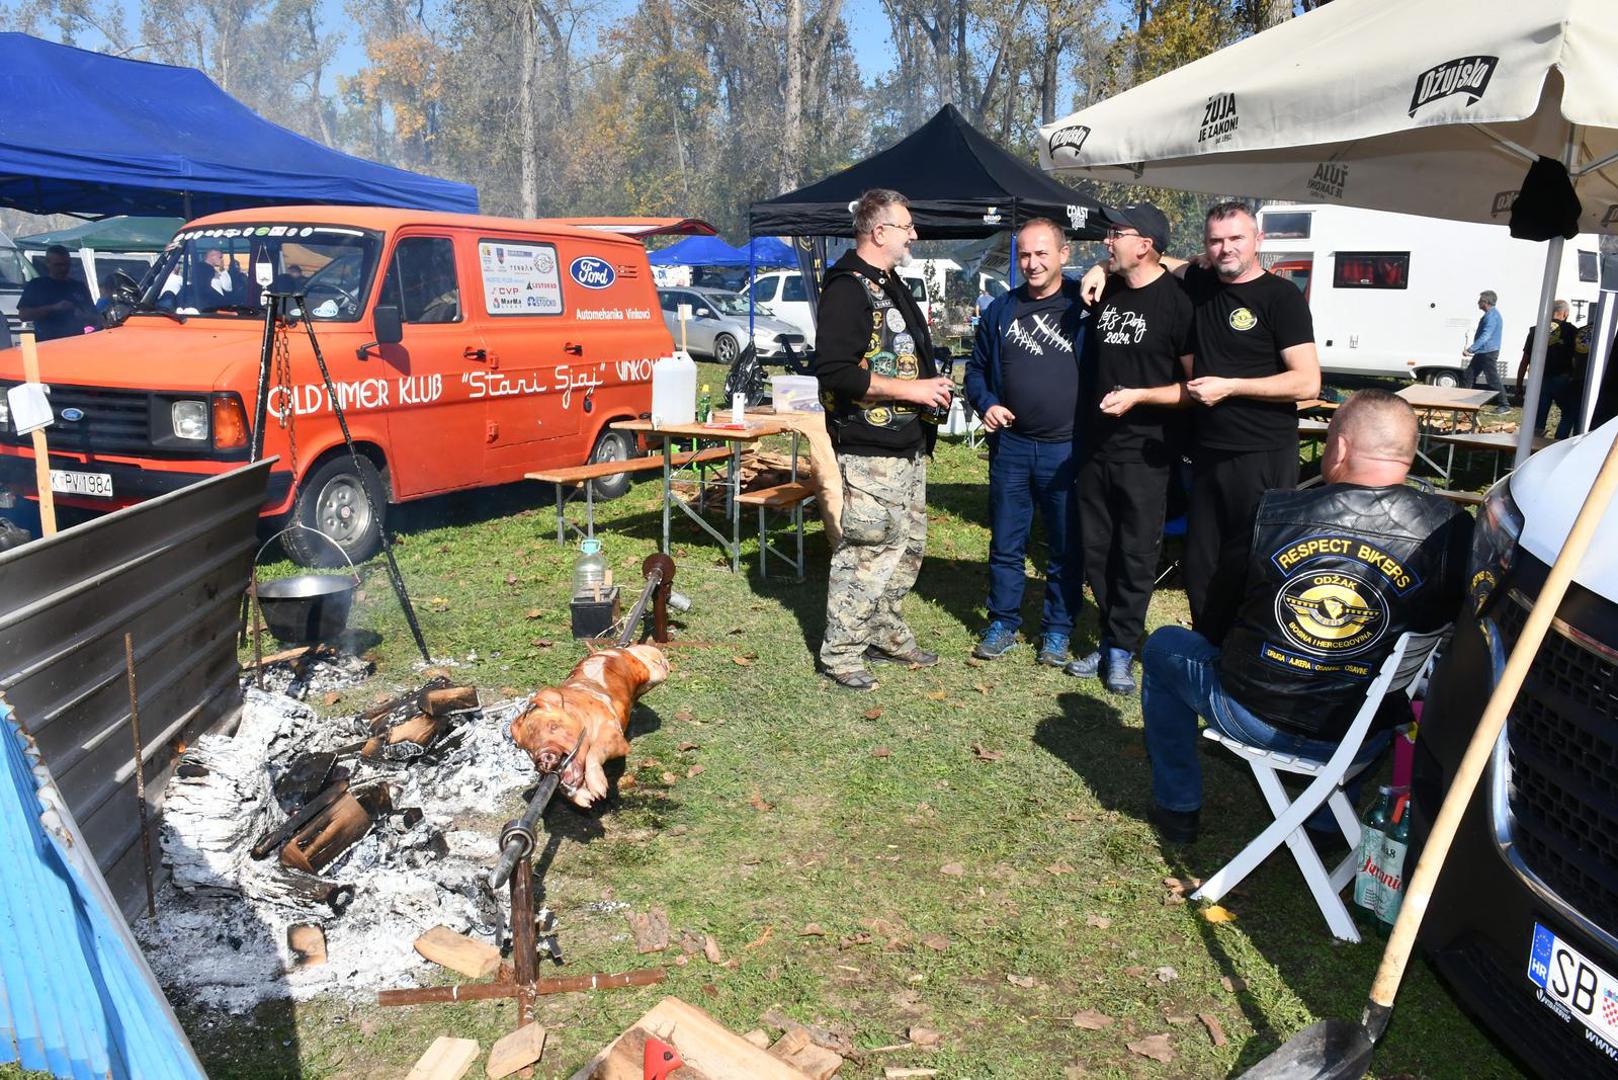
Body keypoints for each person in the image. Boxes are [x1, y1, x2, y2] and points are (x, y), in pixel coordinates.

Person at [1138, 390, 1473, 844]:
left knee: (1163, 646)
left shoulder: (1274, 511)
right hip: (1359, 734)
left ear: (1339, 447)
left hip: (1253, 715)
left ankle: (1178, 809)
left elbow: (1216, 616)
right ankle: (1326, 822)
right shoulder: (1452, 530)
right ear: (1410, 453)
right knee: (1367, 677)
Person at [813, 189, 955, 691]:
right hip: (869, 450)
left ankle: (884, 631)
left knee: (907, 546)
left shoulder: (888, 282)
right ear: (879, 232)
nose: (913, 234)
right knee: (868, 550)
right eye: (906, 227)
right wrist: (911, 388)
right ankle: (842, 650)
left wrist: (928, 392)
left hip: (907, 442)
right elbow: (833, 371)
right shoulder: (848, 288)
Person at [1175, 203, 1320, 646]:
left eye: (1236, 238)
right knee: (1201, 562)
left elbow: (1308, 381)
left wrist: (1231, 387)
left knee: (1255, 562)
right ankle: (1207, 646)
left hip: (1263, 453)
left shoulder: (1282, 297)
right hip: (1208, 452)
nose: (1225, 249)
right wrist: (1101, 269)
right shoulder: (1199, 280)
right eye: (1216, 241)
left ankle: (1251, 652)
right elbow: (1156, 260)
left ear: (1258, 241)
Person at [1068, 203, 1194, 693]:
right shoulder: (1108, 287)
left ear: (1145, 244)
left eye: (1116, 233)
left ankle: (1121, 648)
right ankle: (1110, 635)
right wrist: (1100, 267)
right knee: (1097, 549)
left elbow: (1195, 386)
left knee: (1138, 552)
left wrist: (1141, 396)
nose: (1106, 240)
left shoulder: (1179, 302)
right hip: (1096, 447)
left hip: (1149, 451)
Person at [963, 218, 1087, 666]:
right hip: (1012, 448)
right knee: (1006, 542)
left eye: (1042, 254)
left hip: (1067, 449)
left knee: (1065, 546)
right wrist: (987, 403)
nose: (1032, 264)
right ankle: (1003, 621)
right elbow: (975, 371)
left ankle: (1057, 629)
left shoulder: (1083, 306)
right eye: (1025, 255)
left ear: (1063, 255)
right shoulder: (1001, 309)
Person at [1515, 301, 1585, 439]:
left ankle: (1532, 446)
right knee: (1569, 413)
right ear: (1565, 313)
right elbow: (1577, 360)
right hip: (1563, 380)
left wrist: (1519, 386)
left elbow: (1525, 361)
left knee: (1538, 420)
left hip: (1539, 381)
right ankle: (1558, 443)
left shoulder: (1536, 330)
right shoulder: (1571, 331)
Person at [17, 244, 97, 341]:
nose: (63, 269)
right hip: (47, 343)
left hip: (75, 343)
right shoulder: (37, 285)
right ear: (48, 263)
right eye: (58, 265)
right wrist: (54, 308)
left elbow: (95, 317)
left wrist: (83, 315)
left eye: (66, 264)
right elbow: (23, 315)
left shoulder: (78, 287)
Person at [1462, 290, 1504, 407]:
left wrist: (1471, 349)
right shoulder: (1491, 314)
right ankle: (1465, 400)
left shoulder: (1491, 317)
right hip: (1484, 351)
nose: (1478, 302)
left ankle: (1504, 405)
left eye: (1480, 300)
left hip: (1488, 352)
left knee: (1492, 379)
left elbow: (1486, 335)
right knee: (1469, 375)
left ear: (1485, 302)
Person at [185, 243, 248, 311]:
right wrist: (225, 303)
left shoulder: (210, 270)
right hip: (209, 307)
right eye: (220, 257)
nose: (222, 260)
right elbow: (206, 289)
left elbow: (227, 288)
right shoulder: (202, 269)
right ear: (212, 256)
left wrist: (222, 271)